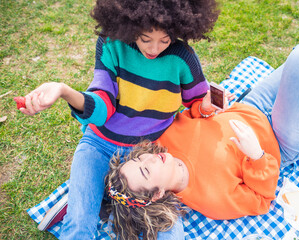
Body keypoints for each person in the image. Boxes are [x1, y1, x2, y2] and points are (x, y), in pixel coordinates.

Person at [104, 0, 299, 238]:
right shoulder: (212, 201)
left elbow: (196, 115)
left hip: (250, 105)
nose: (148, 156)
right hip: (281, 140)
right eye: (146, 170)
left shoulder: (164, 140)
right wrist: (257, 156)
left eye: (139, 159)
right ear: (158, 193)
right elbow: (262, 199)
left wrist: (205, 107)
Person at [20, 0, 220, 239]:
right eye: (146, 39)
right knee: (78, 227)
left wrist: (206, 108)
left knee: (169, 233)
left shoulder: (183, 58)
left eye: (165, 40)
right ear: (131, 23)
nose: (154, 49)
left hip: (145, 160)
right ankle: (97, 201)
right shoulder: (111, 43)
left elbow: (197, 104)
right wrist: (64, 91)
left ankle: (103, 199)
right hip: (99, 146)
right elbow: (103, 106)